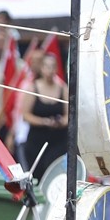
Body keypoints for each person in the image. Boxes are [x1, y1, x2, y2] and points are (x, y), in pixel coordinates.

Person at [20, 53, 68, 182]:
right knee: (38, 176)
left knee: (55, 175)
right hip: (37, 141)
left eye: (53, 66)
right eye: (47, 66)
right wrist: (44, 122)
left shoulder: (63, 88)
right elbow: (25, 115)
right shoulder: (32, 88)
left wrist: (61, 122)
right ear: (41, 68)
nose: (50, 70)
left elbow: (69, 115)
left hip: (58, 141)